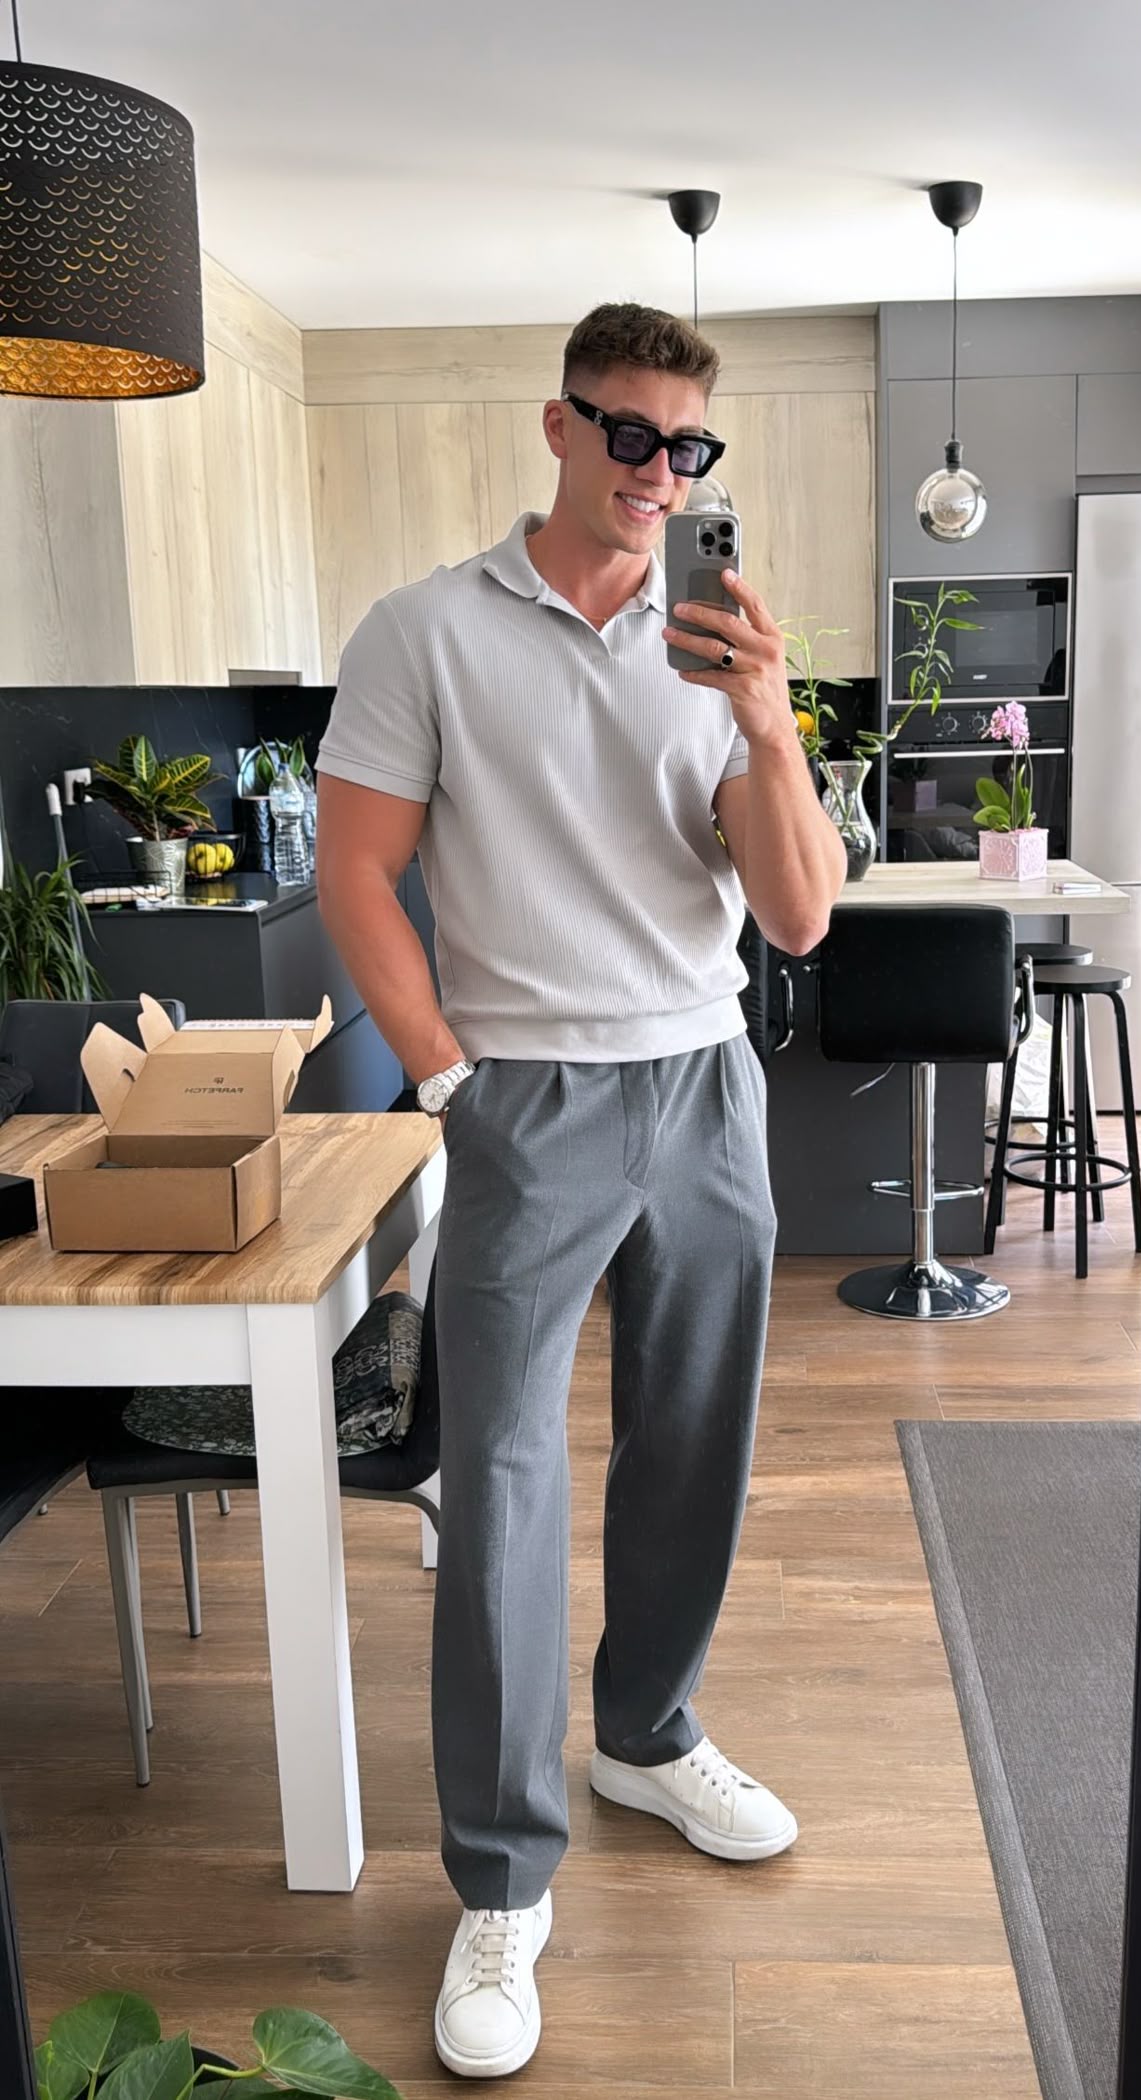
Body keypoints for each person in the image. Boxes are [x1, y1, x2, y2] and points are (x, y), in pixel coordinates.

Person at [315, 300, 846, 2080]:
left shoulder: (719, 644)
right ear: (559, 427)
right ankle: (499, 1877)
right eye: (629, 434)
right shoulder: (427, 631)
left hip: (703, 1080)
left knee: (695, 1437)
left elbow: (797, 916)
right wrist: (447, 1077)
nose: (658, 473)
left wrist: (766, 721)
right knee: (502, 1477)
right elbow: (359, 874)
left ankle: (646, 1733)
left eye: (688, 448)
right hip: (524, 1095)